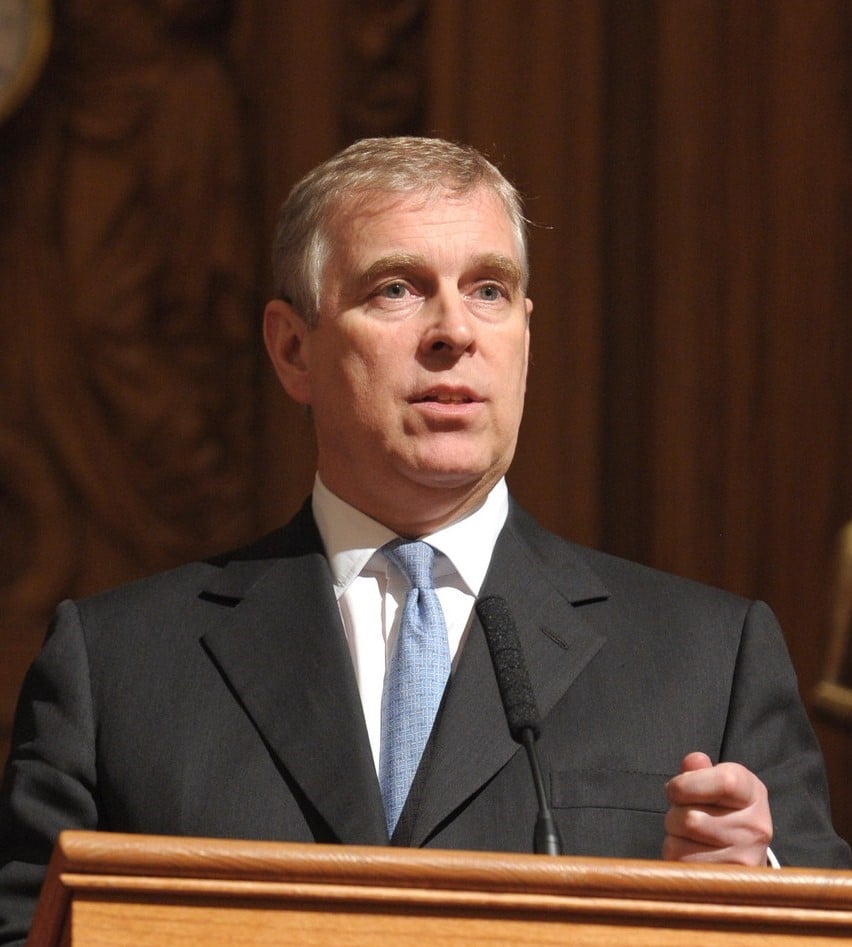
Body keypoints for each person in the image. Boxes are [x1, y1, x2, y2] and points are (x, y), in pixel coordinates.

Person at [1, 137, 849, 943]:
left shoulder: (709, 657)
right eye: (396, 289)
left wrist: (756, 892)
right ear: (293, 349)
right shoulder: (117, 666)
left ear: (525, 337)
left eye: (489, 290)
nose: (455, 331)